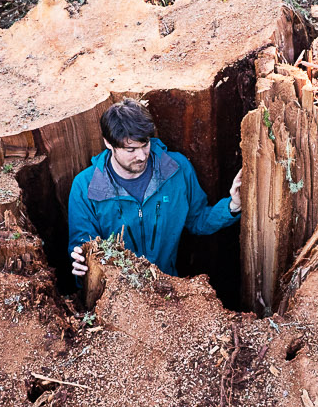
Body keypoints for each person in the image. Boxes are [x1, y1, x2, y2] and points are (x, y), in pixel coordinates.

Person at [67, 98, 242, 279]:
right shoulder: (84, 187)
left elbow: (197, 220)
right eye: (131, 150)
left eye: (145, 145)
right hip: (118, 296)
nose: (141, 156)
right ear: (109, 143)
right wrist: (82, 265)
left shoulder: (177, 169)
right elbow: (83, 246)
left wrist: (232, 207)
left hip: (167, 287)